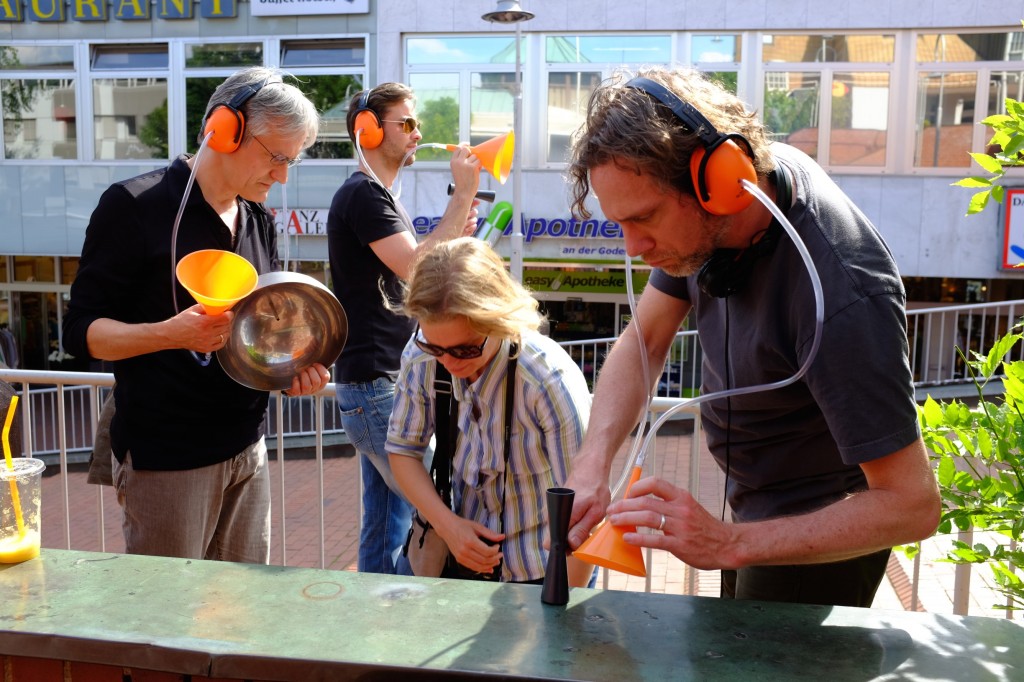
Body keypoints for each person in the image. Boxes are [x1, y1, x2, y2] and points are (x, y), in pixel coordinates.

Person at [562, 66, 941, 607]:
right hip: (746, 509)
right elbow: (645, 340)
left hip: (822, 523)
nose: (632, 247)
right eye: (620, 223)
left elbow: (912, 505)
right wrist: (592, 463)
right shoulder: (721, 205)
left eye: (643, 218)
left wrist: (729, 544)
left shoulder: (842, 291)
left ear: (720, 183)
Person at [62, 66, 331, 563]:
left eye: (291, 161)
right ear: (223, 130)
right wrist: (170, 334)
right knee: (170, 608)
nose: (282, 176)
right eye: (276, 157)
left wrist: (290, 369)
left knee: (242, 606)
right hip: (169, 458)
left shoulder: (257, 218)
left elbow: (259, 330)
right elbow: (81, 332)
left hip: (249, 449)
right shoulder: (134, 205)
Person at [328, 82, 482, 574]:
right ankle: (408, 608)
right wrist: (462, 195)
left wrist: (453, 229)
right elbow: (417, 268)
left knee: (387, 525)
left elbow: (419, 264)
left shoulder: (377, 197)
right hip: (375, 385)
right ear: (368, 129)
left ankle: (379, 612)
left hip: (376, 383)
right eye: (408, 123)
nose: (418, 133)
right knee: (439, 511)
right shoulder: (362, 194)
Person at [386, 237, 594, 584]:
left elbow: (581, 514)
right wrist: (448, 526)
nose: (449, 362)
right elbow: (403, 451)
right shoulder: (422, 357)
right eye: (435, 347)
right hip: (460, 567)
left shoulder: (545, 379)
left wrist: (563, 603)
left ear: (500, 320)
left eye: (465, 350)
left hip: (543, 571)